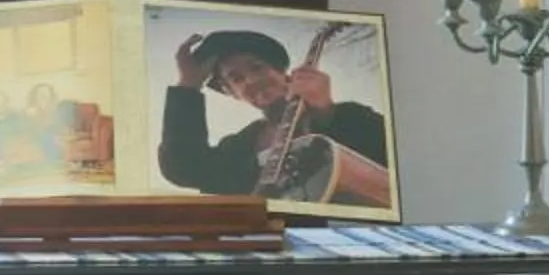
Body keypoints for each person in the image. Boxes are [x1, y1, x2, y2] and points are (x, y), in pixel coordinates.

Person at [158, 28, 388, 196]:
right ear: (235, 95)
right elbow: (183, 168)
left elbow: (389, 167)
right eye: (236, 79)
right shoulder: (237, 149)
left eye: (257, 67)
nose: (251, 80)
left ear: (284, 74)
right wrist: (188, 84)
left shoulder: (350, 116)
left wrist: (327, 115)